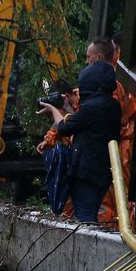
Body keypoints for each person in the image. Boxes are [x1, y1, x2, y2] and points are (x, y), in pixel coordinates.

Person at [53, 61, 121, 224]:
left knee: (85, 219)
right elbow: (81, 123)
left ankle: (88, 249)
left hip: (86, 173)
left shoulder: (93, 108)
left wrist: (53, 110)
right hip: (102, 173)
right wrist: (69, 108)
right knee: (89, 213)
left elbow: (63, 128)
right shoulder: (113, 106)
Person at [97, 33, 136, 224]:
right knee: (120, 192)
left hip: (123, 141)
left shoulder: (117, 79)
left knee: (120, 191)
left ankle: (118, 228)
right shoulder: (129, 78)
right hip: (126, 140)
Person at [35, 79, 79, 216]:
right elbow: (59, 122)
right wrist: (48, 139)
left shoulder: (83, 100)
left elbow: (77, 123)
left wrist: (66, 107)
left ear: (66, 95)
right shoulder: (65, 104)